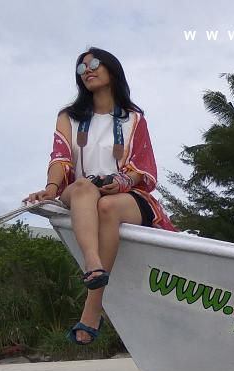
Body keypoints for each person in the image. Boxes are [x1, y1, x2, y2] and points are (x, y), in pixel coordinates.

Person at [26, 47, 177, 345]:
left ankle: (91, 308)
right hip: (81, 191)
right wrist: (52, 189)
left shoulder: (133, 119)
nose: (88, 70)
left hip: (123, 195)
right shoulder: (68, 117)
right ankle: (93, 263)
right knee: (84, 187)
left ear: (111, 69)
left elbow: (144, 171)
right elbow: (60, 160)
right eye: (81, 68)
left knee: (107, 206)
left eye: (94, 64)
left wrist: (121, 180)